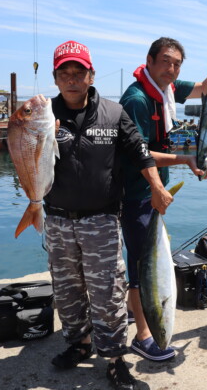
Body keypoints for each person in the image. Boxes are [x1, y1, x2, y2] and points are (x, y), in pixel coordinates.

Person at [45, 40, 171, 390]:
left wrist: (158, 189)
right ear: (55, 78)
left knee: (108, 294)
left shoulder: (115, 114)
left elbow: (141, 153)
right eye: (64, 73)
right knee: (67, 291)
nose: (71, 79)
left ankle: (115, 359)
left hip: (100, 220)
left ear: (91, 75)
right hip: (56, 219)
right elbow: (22, 153)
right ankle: (79, 343)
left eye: (78, 72)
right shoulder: (43, 114)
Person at [119, 37, 207, 361]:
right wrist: (183, 165)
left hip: (155, 193)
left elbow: (202, 88)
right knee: (142, 267)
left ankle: (137, 311)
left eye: (177, 63)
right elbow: (139, 153)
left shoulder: (167, 89)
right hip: (135, 193)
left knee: (147, 261)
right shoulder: (138, 99)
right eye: (166, 62)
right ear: (150, 60)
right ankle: (143, 336)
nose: (172, 69)